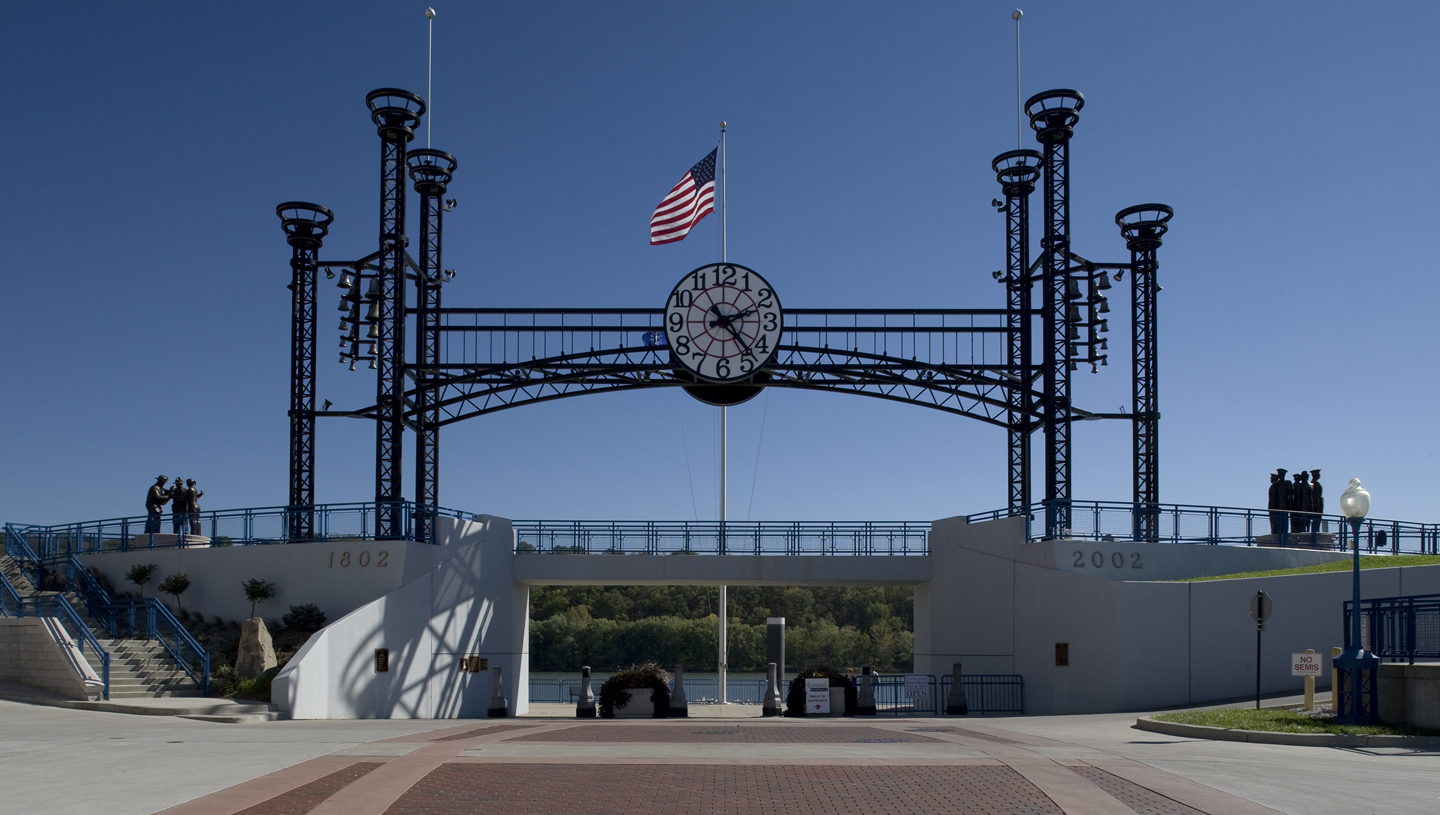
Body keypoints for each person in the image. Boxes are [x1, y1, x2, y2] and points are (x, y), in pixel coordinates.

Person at [1267, 468, 1290, 545]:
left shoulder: (1287, 483)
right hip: (1277, 508)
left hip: (1285, 507)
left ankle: (1284, 540)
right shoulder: (1275, 485)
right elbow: (1273, 498)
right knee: (1277, 525)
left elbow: (1290, 495)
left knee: (1284, 525)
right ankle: (1278, 540)